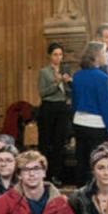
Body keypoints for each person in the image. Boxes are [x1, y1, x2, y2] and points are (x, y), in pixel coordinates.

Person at [71, 41, 108, 186]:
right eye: (103, 52)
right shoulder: (101, 78)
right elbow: (105, 106)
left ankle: (80, 194)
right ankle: (95, 194)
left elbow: (75, 102)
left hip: (79, 121)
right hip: (97, 124)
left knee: (81, 161)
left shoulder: (77, 76)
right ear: (96, 56)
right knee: (97, 161)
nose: (105, 56)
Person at [38, 42, 72, 185]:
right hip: (48, 107)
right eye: (55, 54)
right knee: (46, 142)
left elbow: (70, 91)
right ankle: (43, 174)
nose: (58, 58)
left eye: (60, 55)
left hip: (62, 108)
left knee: (60, 142)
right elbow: (43, 93)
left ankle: (57, 175)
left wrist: (69, 82)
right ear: (49, 56)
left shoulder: (65, 70)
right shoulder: (44, 72)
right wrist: (56, 83)